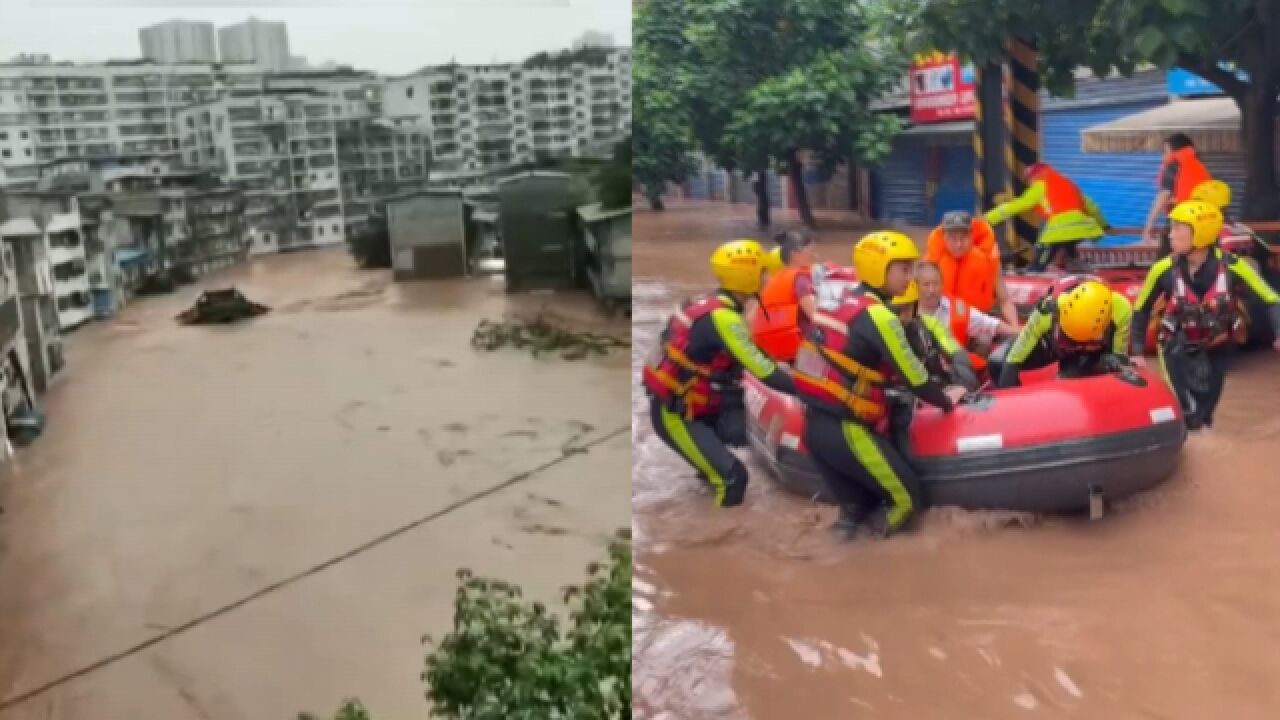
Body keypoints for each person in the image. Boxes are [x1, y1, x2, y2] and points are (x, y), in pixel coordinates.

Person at [793, 231, 963, 541]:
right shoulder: (879, 317)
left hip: (813, 424)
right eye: (903, 269)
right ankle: (882, 563)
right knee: (908, 500)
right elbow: (916, 378)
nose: (909, 277)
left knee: (855, 511)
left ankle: (848, 567)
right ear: (879, 268)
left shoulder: (838, 301)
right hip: (845, 429)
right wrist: (949, 401)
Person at [643, 239, 798, 508]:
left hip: (695, 406)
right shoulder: (723, 319)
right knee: (733, 478)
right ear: (747, 276)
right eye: (763, 272)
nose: (767, 278)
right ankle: (719, 538)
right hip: (677, 415)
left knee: (739, 438)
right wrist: (812, 392)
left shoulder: (710, 304)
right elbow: (765, 372)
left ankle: (706, 487)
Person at [1130, 200, 1280, 431]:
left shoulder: (1233, 266)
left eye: (1178, 229)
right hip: (1175, 346)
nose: (1171, 236)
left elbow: (1271, 298)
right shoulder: (1162, 269)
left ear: (1200, 234)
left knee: (1206, 412)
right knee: (1188, 411)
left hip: (1218, 344)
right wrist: (1138, 351)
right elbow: (1141, 309)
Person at [993, 276, 1133, 388]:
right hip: (1053, 345)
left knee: (1073, 378)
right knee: (997, 362)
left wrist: (1107, 363)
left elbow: (1120, 356)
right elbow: (1015, 357)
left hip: (1093, 355)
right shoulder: (1047, 310)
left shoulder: (1121, 310)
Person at [984, 162, 1108, 273]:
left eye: (1029, 180)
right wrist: (1104, 225)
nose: (1029, 183)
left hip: (1060, 227)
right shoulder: (1068, 184)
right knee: (1069, 244)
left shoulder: (1040, 186)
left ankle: (1036, 270)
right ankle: (1074, 262)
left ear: (1034, 176)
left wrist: (988, 218)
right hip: (1083, 227)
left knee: (1043, 253)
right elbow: (1092, 206)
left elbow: (1016, 206)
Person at [915, 261, 1020, 374]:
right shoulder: (906, 313)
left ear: (942, 284)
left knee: (984, 339)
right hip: (920, 371)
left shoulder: (956, 308)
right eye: (926, 284)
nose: (932, 290)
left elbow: (989, 323)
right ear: (916, 286)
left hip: (955, 369)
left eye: (935, 284)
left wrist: (1018, 331)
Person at [925, 210, 1019, 326]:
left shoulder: (989, 261)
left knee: (983, 340)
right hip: (943, 323)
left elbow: (1005, 300)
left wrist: (1015, 327)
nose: (958, 244)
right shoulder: (931, 265)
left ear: (971, 236)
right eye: (953, 239)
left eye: (963, 238)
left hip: (978, 323)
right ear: (944, 237)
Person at [749, 230, 819, 362]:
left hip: (772, 352)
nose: (814, 256)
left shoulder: (773, 280)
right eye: (811, 251)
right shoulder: (801, 279)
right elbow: (815, 316)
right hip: (800, 353)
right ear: (796, 254)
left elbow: (751, 318)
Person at [1143, 133, 1212, 246]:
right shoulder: (1199, 165)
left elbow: (1163, 195)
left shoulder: (1174, 165)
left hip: (1181, 221)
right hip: (1203, 221)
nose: (1163, 156)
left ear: (1175, 150)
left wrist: (1148, 226)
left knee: (1168, 259)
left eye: (1165, 151)